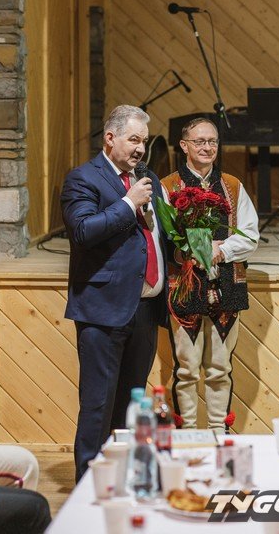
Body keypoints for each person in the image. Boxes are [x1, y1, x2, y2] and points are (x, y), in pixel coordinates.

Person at [61, 105, 169, 481]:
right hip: (103, 310)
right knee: (99, 404)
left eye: (144, 141)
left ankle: (122, 479)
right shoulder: (83, 178)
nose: (141, 148)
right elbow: (83, 231)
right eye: (133, 140)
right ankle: (88, 486)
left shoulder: (147, 178)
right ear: (110, 138)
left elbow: (156, 235)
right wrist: (128, 204)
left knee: (131, 404)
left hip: (145, 309)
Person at [161, 117, 259, 434]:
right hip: (185, 286)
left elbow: (250, 236)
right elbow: (160, 237)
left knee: (220, 368)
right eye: (200, 141)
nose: (207, 147)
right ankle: (187, 434)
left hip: (226, 284)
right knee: (187, 369)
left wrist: (221, 250)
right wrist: (188, 250)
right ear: (184, 145)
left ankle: (219, 432)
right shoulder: (168, 186)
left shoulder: (232, 185)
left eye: (212, 141)